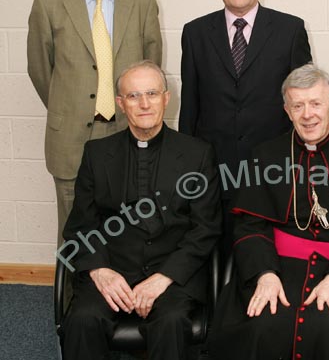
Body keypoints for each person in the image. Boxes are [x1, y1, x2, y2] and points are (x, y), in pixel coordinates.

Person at [209, 64, 329, 360]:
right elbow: (249, 225)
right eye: (298, 105)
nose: (307, 114)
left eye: (315, 103)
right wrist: (265, 274)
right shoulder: (265, 155)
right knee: (265, 323)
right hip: (276, 266)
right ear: (287, 110)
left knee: (323, 324)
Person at [59, 61, 221, 360]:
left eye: (152, 93)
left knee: (171, 322)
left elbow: (205, 228)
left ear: (166, 98)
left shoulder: (198, 154)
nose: (144, 104)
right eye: (133, 96)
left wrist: (164, 277)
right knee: (82, 320)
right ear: (121, 104)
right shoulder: (97, 154)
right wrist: (100, 270)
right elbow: (81, 225)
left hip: (172, 272)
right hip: (113, 267)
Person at [27, 0, 163, 243]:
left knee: (128, 224)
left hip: (126, 131)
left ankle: (122, 294)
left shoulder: (143, 2)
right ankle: (72, 296)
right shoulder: (48, 2)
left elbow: (150, 71)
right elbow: (40, 70)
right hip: (70, 137)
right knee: (74, 229)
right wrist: (69, 105)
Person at [179, 0, 312, 255]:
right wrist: (187, 165)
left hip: (274, 167)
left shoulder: (290, 29)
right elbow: (190, 104)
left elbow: (303, 100)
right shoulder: (195, 33)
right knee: (219, 250)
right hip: (215, 166)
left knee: (268, 251)